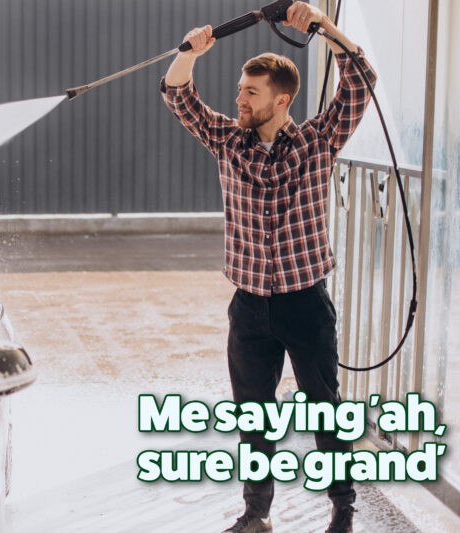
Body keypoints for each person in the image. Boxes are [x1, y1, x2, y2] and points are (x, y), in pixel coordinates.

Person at [160, 2, 376, 533]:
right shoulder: (228, 142)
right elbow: (178, 96)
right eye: (239, 89)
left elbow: (361, 77)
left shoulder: (317, 141)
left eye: (249, 93)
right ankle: (256, 514)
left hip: (305, 302)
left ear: (281, 101)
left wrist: (321, 26)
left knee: (325, 413)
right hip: (250, 307)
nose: (238, 99)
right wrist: (189, 53)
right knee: (252, 417)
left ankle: (342, 510)